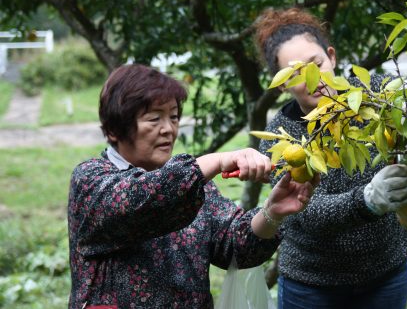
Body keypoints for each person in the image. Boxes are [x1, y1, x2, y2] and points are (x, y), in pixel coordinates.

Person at [67, 64, 317, 309]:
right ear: (113, 130)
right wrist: (217, 161)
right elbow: (140, 201)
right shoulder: (91, 180)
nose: (168, 129)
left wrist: (272, 212)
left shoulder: (192, 184)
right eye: (154, 119)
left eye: (174, 117)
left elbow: (236, 246)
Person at [254, 7, 407, 309]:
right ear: (282, 82)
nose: (313, 78)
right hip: (312, 283)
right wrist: (367, 199)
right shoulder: (282, 138)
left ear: (331, 56)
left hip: (386, 269)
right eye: (297, 73)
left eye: (316, 64)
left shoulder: (375, 94)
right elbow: (307, 211)